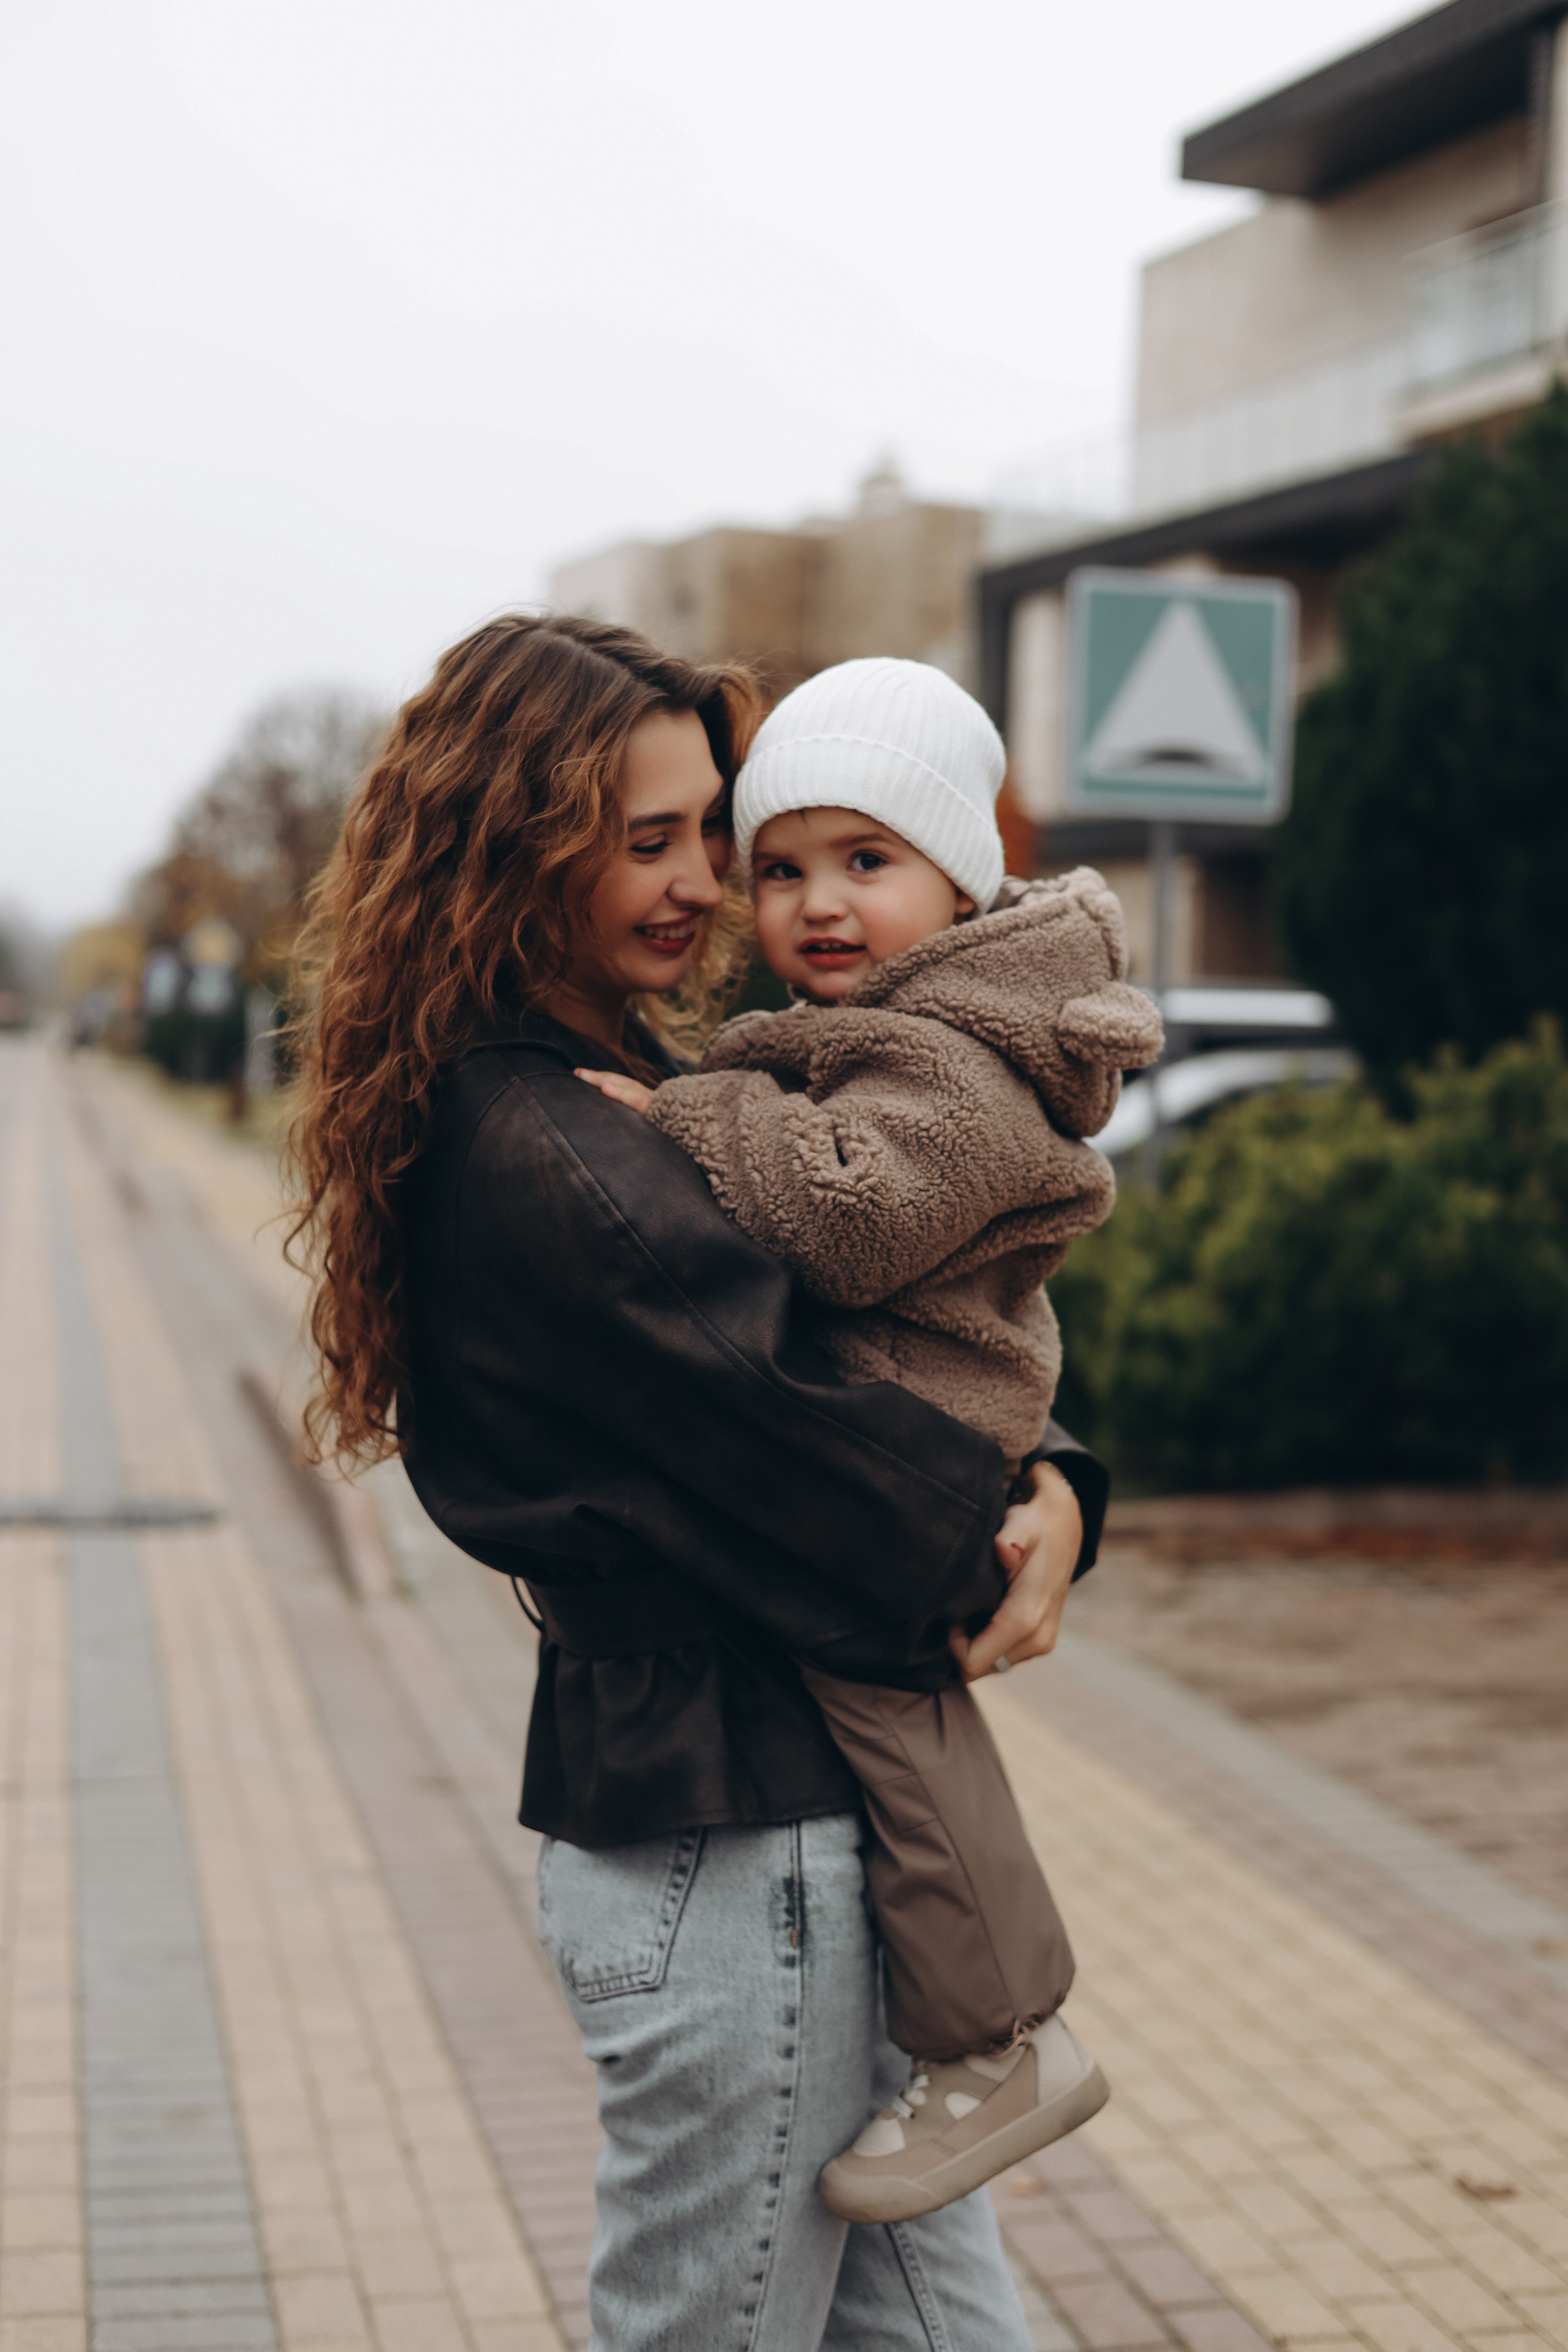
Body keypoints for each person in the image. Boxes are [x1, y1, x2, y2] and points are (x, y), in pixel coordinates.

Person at [288, 612, 1109, 2352]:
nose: (696, 884)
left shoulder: (629, 1090)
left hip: (774, 1821)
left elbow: (881, 1334)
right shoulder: (556, 1149)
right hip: (738, 1857)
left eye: (701, 836)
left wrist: (1065, 1484)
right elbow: (819, 1438)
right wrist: (1016, 1521)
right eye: (640, 837)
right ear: (519, 838)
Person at [576, 657, 1162, 2224]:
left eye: (864, 862)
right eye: (781, 869)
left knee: (898, 1721)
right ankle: (986, 2032)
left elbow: (841, 1222)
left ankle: (1001, 2037)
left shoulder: (950, 1055)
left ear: (958, 875)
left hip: (919, 1416)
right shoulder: (906, 1024)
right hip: (915, 1405)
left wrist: (670, 1115)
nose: (810, 905)